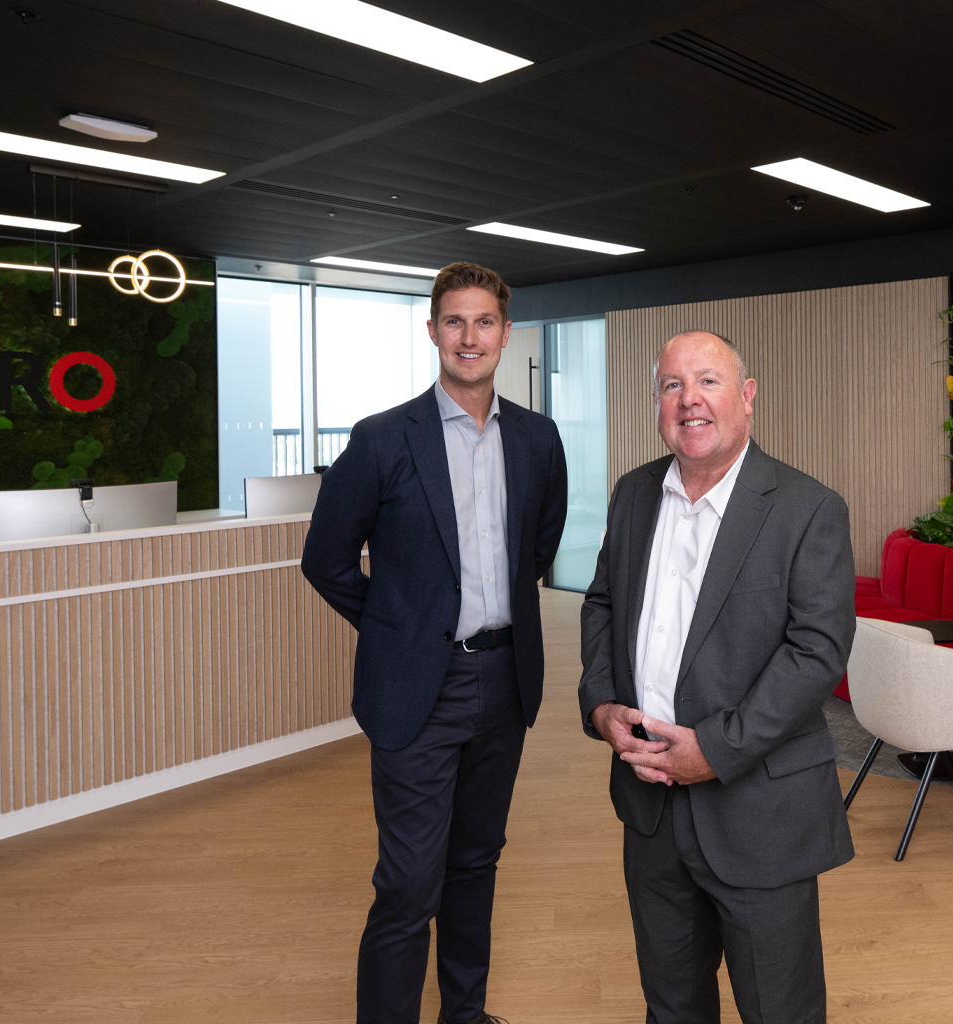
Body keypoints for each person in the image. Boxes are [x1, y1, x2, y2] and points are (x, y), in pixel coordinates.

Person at [302, 261, 568, 1024]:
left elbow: (537, 550)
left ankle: (465, 1013)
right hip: (419, 687)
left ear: (505, 334)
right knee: (409, 883)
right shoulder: (384, 439)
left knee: (476, 862)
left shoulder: (537, 438)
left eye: (484, 321)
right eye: (454, 321)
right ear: (432, 332)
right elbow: (324, 560)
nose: (469, 336)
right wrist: (399, 629)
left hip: (505, 680)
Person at [578, 330, 856, 1023]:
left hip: (760, 813)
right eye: (672, 385)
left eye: (707, 381)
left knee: (779, 1010)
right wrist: (603, 705)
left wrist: (716, 749)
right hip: (650, 812)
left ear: (747, 397)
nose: (689, 400)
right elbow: (603, 603)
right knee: (671, 1006)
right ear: (657, 402)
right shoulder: (634, 494)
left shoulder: (807, 508)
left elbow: (817, 651)